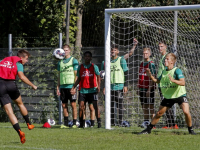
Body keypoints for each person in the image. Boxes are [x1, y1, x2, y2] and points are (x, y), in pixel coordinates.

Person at [138, 53, 196, 135]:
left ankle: (191, 130)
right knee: (159, 113)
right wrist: (150, 76)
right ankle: (148, 129)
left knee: (186, 112)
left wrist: (174, 80)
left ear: (172, 61)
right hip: (169, 97)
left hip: (179, 95)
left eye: (167, 59)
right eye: (165, 59)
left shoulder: (177, 70)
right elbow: (157, 81)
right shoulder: (164, 71)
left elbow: (183, 82)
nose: (165, 60)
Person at [0, 50, 37, 144]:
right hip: (11, 84)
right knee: (20, 104)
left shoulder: (3, 60)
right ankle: (29, 123)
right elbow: (22, 76)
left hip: (0, 85)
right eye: (26, 59)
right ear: (21, 57)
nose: (27, 61)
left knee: (9, 112)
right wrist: (32, 85)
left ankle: (19, 131)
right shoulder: (18, 63)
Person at [71, 51, 101, 128]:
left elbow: (98, 76)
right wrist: (74, 87)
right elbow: (79, 78)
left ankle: (98, 123)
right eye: (86, 56)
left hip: (92, 90)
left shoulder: (94, 66)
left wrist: (98, 86)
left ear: (91, 58)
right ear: (84, 58)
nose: (87, 57)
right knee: (81, 106)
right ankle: (81, 124)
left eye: (88, 56)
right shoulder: (80, 67)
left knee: (94, 107)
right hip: (83, 90)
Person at [102, 45, 129, 126]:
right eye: (112, 50)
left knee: (119, 105)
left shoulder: (121, 60)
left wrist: (125, 85)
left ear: (118, 52)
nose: (113, 51)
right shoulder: (106, 61)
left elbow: (126, 72)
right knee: (110, 105)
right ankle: (112, 123)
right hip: (109, 86)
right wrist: (104, 87)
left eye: (115, 50)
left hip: (119, 86)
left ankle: (120, 122)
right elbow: (104, 75)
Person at [56, 44, 79, 128]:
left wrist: (74, 87)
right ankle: (65, 123)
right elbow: (59, 75)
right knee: (64, 105)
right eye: (63, 50)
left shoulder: (74, 60)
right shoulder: (60, 62)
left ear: (69, 51)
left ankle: (74, 123)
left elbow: (76, 75)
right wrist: (58, 87)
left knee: (73, 104)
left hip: (71, 86)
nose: (65, 52)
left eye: (66, 50)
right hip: (63, 86)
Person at [158, 41, 178, 129]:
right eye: (159, 47)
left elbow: (168, 70)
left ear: (165, 47)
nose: (160, 48)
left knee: (166, 104)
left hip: (165, 85)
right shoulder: (161, 57)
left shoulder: (166, 58)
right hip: (161, 84)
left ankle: (172, 124)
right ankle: (169, 124)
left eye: (162, 46)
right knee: (165, 104)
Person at [138, 48, 156, 128]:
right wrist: (138, 87)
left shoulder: (151, 64)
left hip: (149, 89)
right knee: (144, 106)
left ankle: (153, 124)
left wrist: (149, 89)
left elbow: (153, 77)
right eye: (143, 53)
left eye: (146, 53)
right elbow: (140, 76)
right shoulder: (141, 64)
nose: (145, 55)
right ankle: (146, 122)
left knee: (151, 106)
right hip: (142, 88)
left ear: (149, 54)